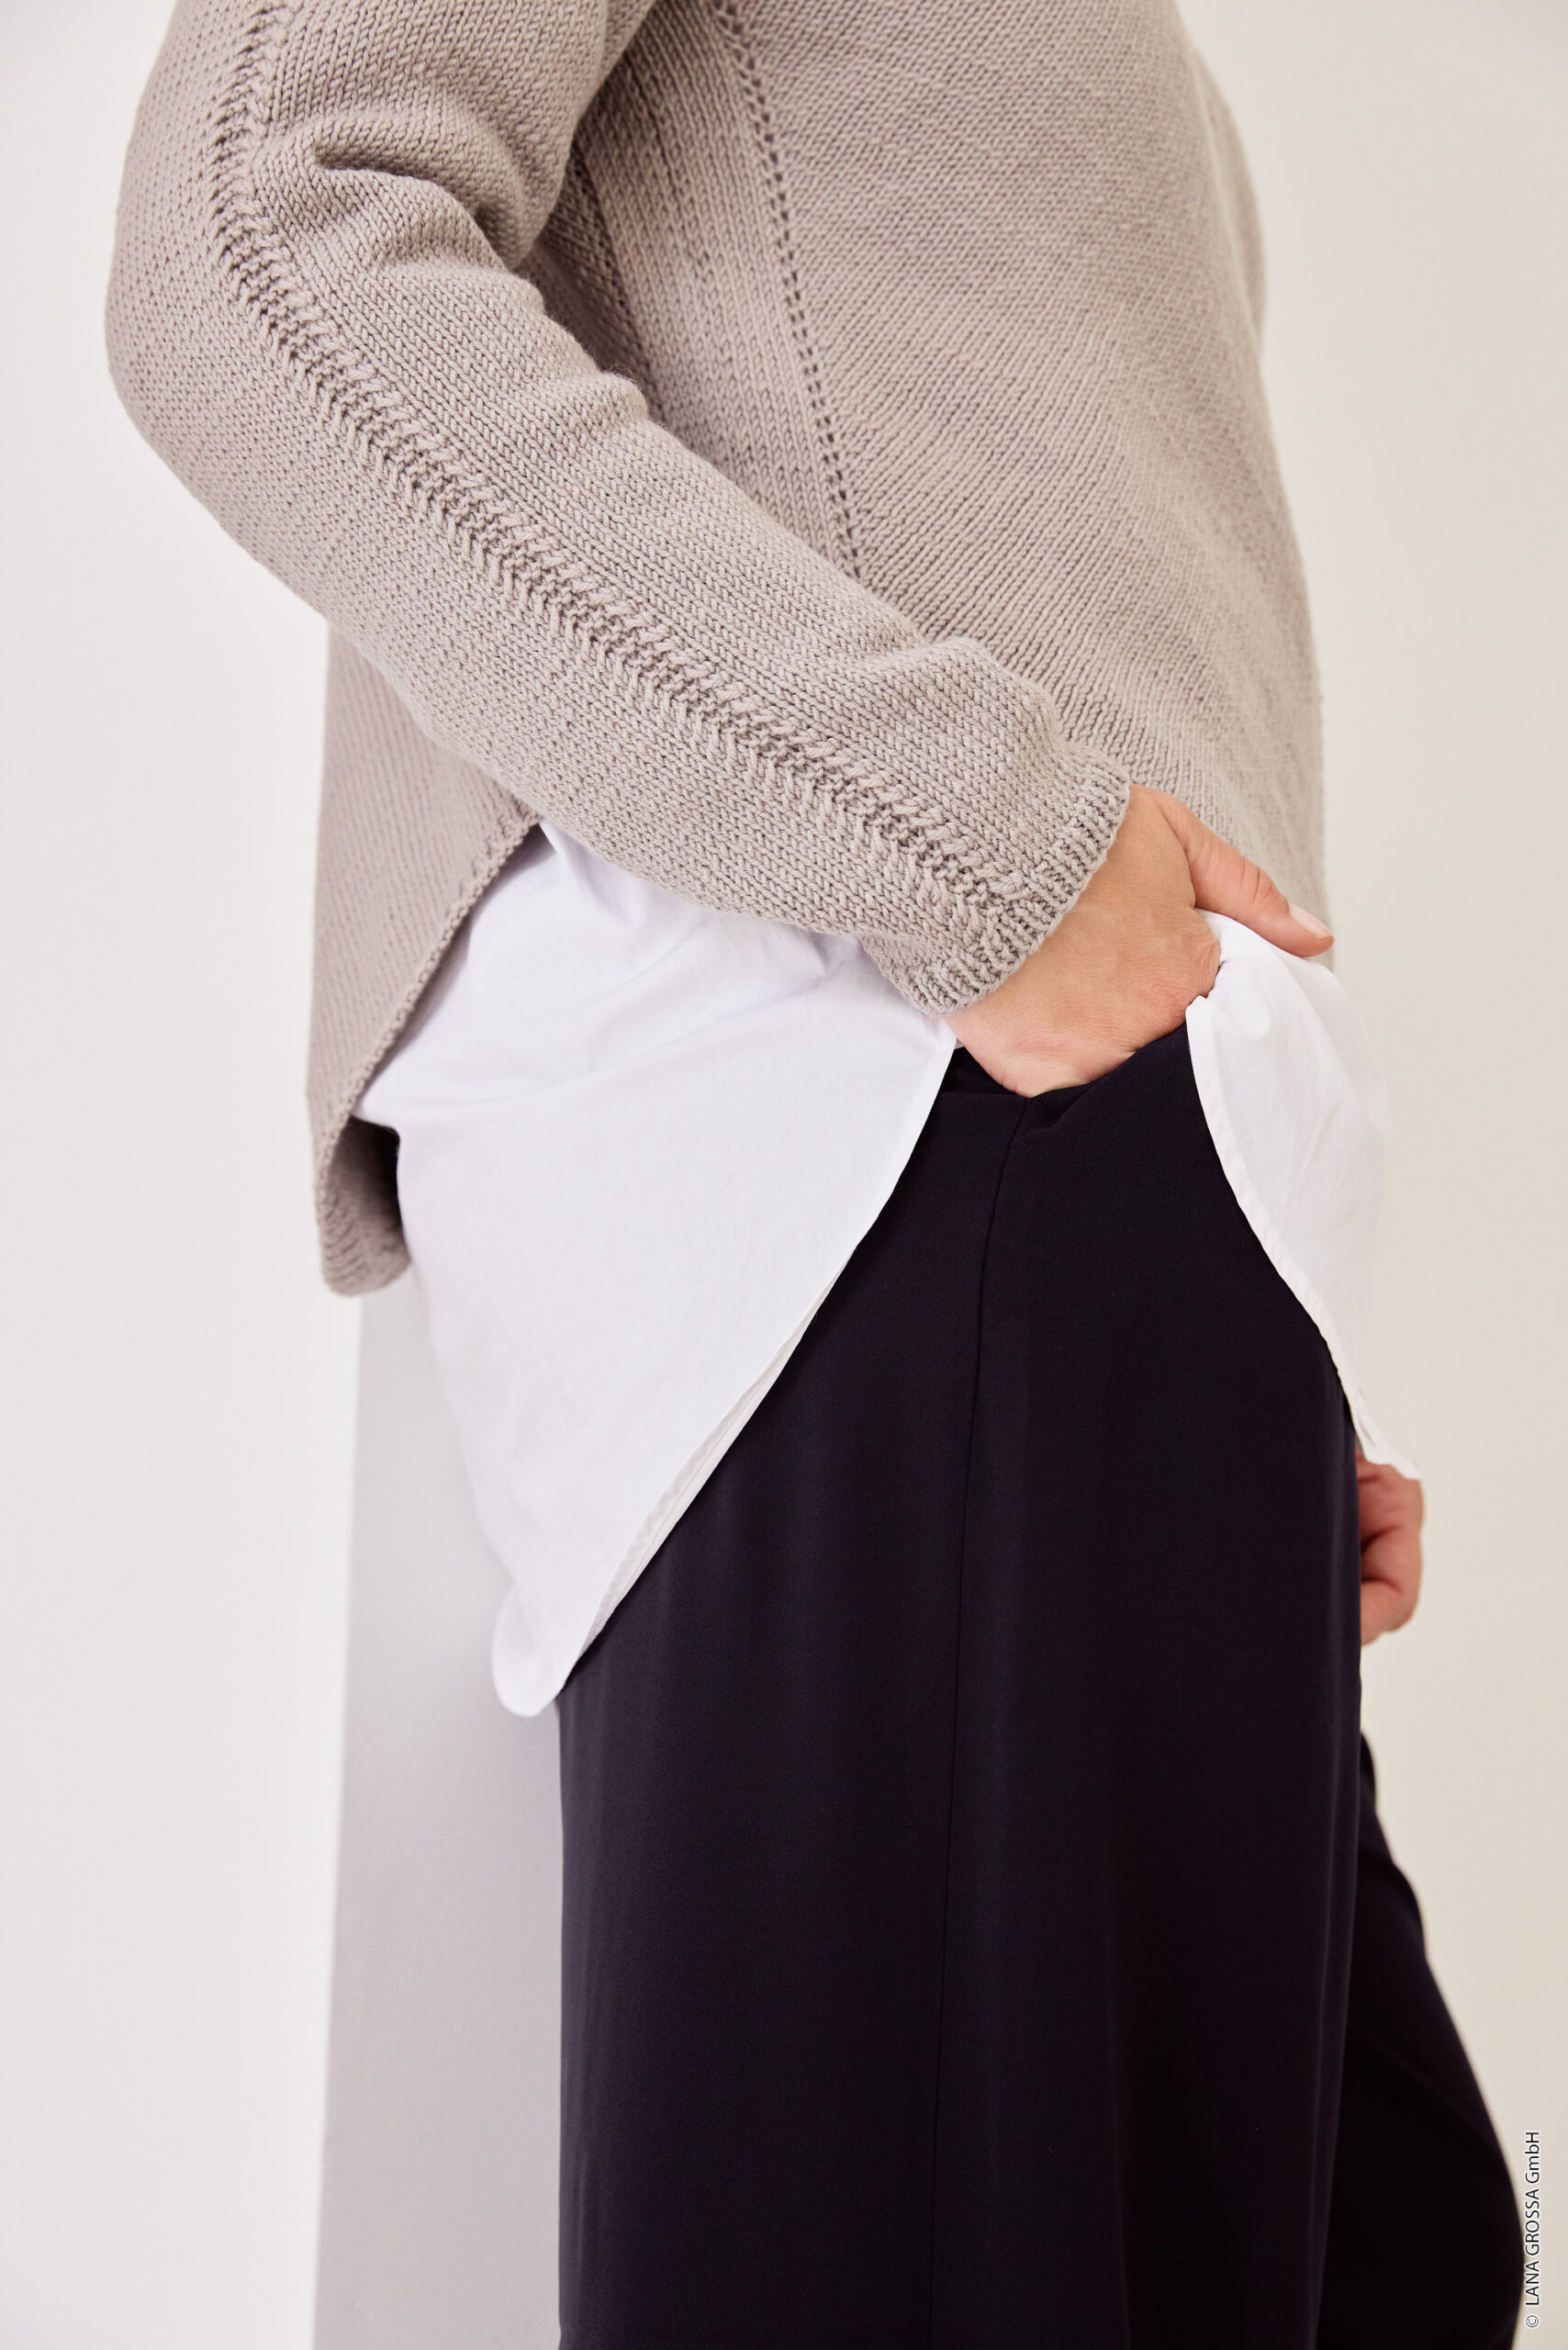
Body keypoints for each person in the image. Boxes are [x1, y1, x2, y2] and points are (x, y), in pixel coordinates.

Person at [107, 1, 1522, 2339]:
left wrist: (1231, 1298)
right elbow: (256, 227)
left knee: (1407, 2241)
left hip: (1072, 1265)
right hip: (882, 1173)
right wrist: (968, 841)